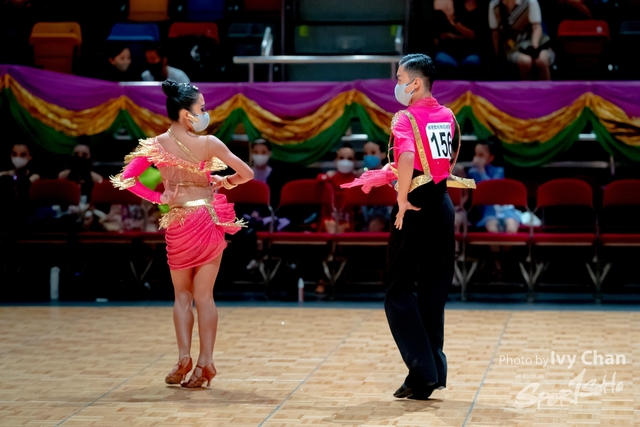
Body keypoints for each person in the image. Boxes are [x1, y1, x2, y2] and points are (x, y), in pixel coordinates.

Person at [342, 54, 475, 400]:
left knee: (398, 291)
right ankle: (427, 374)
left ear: (415, 83)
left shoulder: (406, 117)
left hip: (415, 205)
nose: (397, 84)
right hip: (442, 204)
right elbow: (444, 160)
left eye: (400, 78)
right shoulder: (448, 115)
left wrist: (401, 198)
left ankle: (423, 371)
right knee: (433, 289)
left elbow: (405, 157)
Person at [111, 79, 253, 388]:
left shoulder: (155, 145)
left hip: (178, 220)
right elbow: (247, 173)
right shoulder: (209, 143)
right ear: (187, 113)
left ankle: (183, 357)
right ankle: (206, 362)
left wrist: (158, 197)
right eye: (201, 108)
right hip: (206, 217)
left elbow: (127, 179)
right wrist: (225, 182)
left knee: (182, 296)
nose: (205, 112)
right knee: (205, 297)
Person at [489, 0, 554, 80]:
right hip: (511, 46)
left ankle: (546, 88)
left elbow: (536, 27)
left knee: (542, 61)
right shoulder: (494, 4)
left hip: (536, 43)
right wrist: (497, 56)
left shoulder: (530, 2)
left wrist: (534, 47)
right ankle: (526, 88)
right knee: (526, 62)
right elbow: (495, 32)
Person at [467, 137, 520, 233]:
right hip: (488, 212)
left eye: (481, 155)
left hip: (504, 209)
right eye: (475, 154)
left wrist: (482, 171)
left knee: (511, 227)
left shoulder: (499, 171)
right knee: (492, 228)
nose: (477, 158)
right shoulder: (472, 173)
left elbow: (493, 190)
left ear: (491, 157)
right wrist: (478, 171)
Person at [432, 0, 486, 79]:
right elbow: (441, 36)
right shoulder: (451, 8)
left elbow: (473, 35)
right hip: (448, 52)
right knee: (442, 61)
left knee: (471, 63)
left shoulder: (481, 11)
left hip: (470, 52)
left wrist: (454, 23)